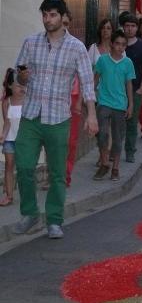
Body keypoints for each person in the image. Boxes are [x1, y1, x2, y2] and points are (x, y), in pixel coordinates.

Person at [13, 0, 98, 239]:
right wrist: (23, 78)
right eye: (44, 15)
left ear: (63, 17)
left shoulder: (77, 48)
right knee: (25, 165)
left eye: (52, 15)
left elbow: (87, 83)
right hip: (31, 116)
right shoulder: (31, 43)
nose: (47, 19)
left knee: (57, 173)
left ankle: (54, 220)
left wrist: (91, 115)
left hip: (59, 119)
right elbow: (19, 74)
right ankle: (29, 214)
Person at [93, 30, 135, 181]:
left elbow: (129, 85)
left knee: (117, 138)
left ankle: (115, 168)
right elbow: (95, 80)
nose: (120, 47)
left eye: (123, 45)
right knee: (102, 134)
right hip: (104, 102)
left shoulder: (128, 63)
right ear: (112, 44)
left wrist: (130, 105)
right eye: (117, 43)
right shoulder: (103, 60)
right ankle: (104, 163)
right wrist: (90, 99)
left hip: (120, 104)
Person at [122, 13, 142, 163]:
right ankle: (109, 152)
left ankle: (130, 151)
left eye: (133, 26)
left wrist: (141, 88)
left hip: (136, 90)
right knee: (115, 123)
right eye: (127, 26)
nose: (129, 29)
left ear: (137, 28)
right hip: (117, 90)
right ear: (123, 27)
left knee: (132, 122)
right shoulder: (118, 44)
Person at [60, 12, 83, 188]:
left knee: (71, 140)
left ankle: (65, 175)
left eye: (67, 24)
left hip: (73, 97)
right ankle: (56, 174)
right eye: (62, 23)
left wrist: (78, 102)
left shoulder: (76, 47)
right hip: (54, 100)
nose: (64, 27)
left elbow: (83, 77)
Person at [0, 68, 25, 206]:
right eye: (18, 85)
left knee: (24, 167)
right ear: (10, 86)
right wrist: (3, 136)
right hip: (10, 139)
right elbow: (7, 123)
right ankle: (9, 196)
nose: (22, 88)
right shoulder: (6, 103)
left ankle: (26, 194)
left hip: (25, 141)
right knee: (9, 165)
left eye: (23, 84)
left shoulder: (28, 101)